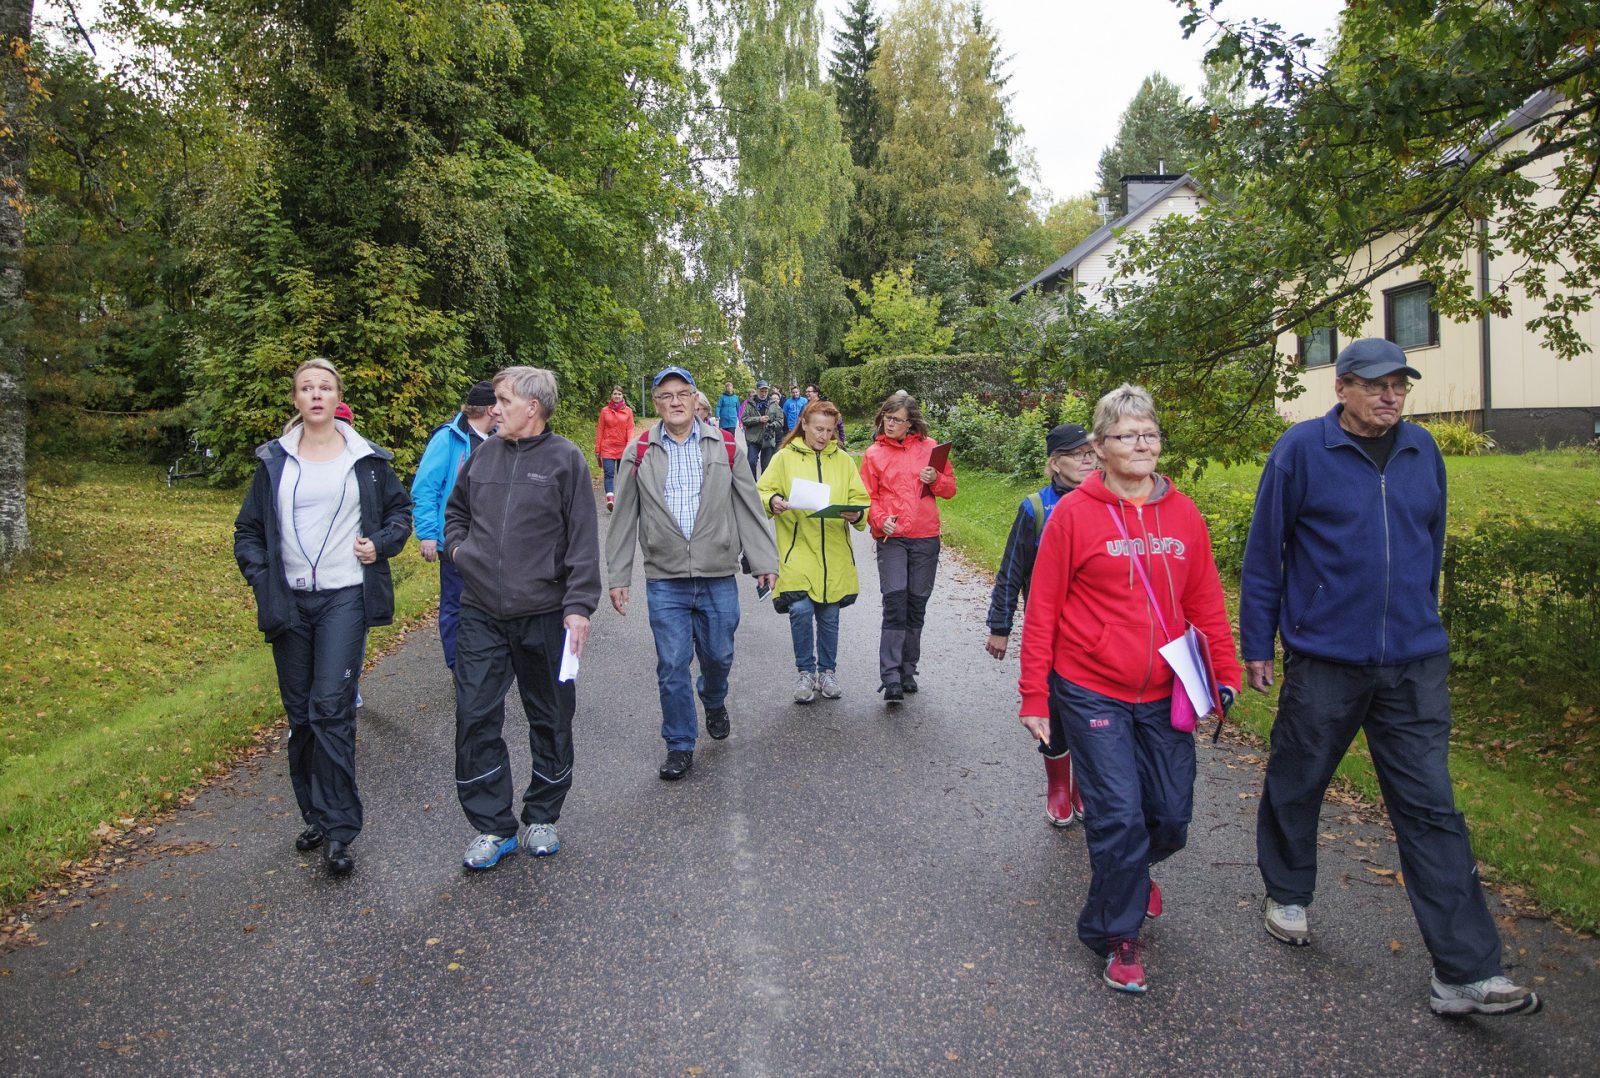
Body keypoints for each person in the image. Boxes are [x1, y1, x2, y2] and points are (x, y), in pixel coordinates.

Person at [1240, 338, 1541, 1017]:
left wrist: (1417, 617)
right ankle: (1288, 891)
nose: (1391, 396)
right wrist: (1258, 642)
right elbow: (1266, 552)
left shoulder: (1421, 452)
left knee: (1433, 808)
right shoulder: (1300, 451)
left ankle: (1465, 972)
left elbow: (1429, 542)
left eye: (1400, 384)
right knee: (1298, 778)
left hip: (1412, 662)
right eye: (1376, 384)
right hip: (1325, 659)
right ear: (1342, 387)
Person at [1017, 383, 1241, 994]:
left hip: (1164, 687)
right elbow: (1043, 607)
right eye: (1127, 435)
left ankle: (1131, 875)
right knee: (1117, 816)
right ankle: (1118, 937)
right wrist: (1034, 694)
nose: (1142, 444)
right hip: (1090, 686)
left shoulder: (1183, 513)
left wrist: (1224, 672)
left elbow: (1206, 602)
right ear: (1099, 445)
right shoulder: (1073, 516)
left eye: (1150, 434)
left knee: (1170, 816)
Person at [233, 358, 413, 877]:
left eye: (325, 387)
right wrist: (263, 579)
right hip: (289, 602)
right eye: (306, 387)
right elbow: (246, 532)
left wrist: (378, 545)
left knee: (331, 707)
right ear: (295, 400)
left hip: (344, 597)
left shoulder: (368, 460)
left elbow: (399, 515)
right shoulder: (274, 462)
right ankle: (313, 813)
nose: (316, 395)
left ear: (338, 399)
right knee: (301, 715)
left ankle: (340, 830)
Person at [442, 367, 601, 871]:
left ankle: (543, 815)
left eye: (504, 400)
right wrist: (459, 550)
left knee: (551, 715)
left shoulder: (566, 460)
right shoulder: (483, 454)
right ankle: (493, 825)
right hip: (481, 612)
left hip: (546, 615)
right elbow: (456, 513)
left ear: (532, 407)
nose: (495, 408)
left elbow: (582, 540)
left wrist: (578, 607)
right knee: (475, 715)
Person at [606, 365, 779, 781]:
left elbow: (747, 505)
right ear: (656, 404)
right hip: (665, 578)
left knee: (718, 656)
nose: (675, 402)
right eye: (666, 396)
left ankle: (714, 697)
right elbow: (624, 515)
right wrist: (618, 575)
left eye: (682, 393)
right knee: (672, 663)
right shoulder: (640, 450)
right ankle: (680, 743)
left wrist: (763, 561)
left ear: (695, 398)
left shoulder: (726, 446)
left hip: (717, 573)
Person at [985, 422, 1099, 828]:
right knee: (1053, 713)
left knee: (1093, 716)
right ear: (1054, 464)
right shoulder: (1035, 507)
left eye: (1091, 451)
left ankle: (1086, 785)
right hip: (1049, 635)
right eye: (1076, 453)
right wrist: (1000, 625)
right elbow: (1011, 571)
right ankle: (1058, 788)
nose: (1088, 458)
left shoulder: (1111, 503)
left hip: (1096, 638)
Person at [758, 399, 871, 703]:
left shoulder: (844, 461)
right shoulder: (784, 458)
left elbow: (862, 501)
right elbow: (760, 492)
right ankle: (805, 673)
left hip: (833, 551)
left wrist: (856, 514)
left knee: (830, 613)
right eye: (818, 428)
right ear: (804, 425)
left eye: (830, 430)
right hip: (798, 549)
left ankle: (828, 672)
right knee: (800, 608)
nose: (824, 435)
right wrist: (773, 502)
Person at [859, 391, 956, 703]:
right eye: (887, 417)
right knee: (895, 602)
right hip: (893, 538)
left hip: (926, 536)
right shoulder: (873, 454)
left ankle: (908, 670)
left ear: (911, 423)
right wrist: (879, 519)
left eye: (897, 419)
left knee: (916, 605)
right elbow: (866, 497)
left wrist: (936, 478)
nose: (890, 423)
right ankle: (890, 678)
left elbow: (950, 489)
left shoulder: (931, 449)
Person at [410, 381, 497, 670]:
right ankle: (458, 665)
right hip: (456, 537)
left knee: (489, 602)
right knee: (455, 604)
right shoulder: (448, 438)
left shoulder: (499, 438)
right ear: (490, 408)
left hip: (492, 540)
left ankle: (484, 659)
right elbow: (425, 488)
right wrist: (428, 535)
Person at [595, 384, 636, 513]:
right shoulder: (604, 411)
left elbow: (630, 428)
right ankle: (610, 500)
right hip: (607, 447)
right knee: (609, 474)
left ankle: (622, 500)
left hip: (623, 448)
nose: (617, 396)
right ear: (611, 396)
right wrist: (598, 448)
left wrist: (629, 445)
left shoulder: (628, 411)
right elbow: (600, 429)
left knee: (623, 474)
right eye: (615, 394)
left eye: (619, 394)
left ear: (622, 396)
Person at [742, 380, 784, 478]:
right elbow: (744, 419)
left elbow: (780, 421)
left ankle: (762, 487)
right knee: (751, 462)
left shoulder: (774, 404)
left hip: (768, 439)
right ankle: (753, 484)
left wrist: (772, 425)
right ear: (757, 390)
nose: (764, 393)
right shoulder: (750, 404)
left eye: (765, 391)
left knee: (766, 466)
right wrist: (758, 419)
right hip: (753, 439)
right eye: (761, 391)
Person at [805, 383, 846, 447]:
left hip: (831, 440)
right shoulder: (805, 406)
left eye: (809, 391)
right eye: (806, 392)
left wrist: (841, 440)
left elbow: (839, 422)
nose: (807, 393)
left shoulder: (824, 403)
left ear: (816, 393)